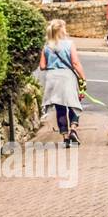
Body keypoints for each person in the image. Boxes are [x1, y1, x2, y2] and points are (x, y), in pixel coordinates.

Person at [39, 19, 85, 147]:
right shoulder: (69, 44)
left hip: (52, 79)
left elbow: (42, 66)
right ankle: (73, 129)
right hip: (66, 77)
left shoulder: (47, 46)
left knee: (60, 108)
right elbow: (75, 63)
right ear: (62, 30)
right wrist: (83, 78)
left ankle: (65, 137)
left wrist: (52, 63)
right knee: (73, 104)